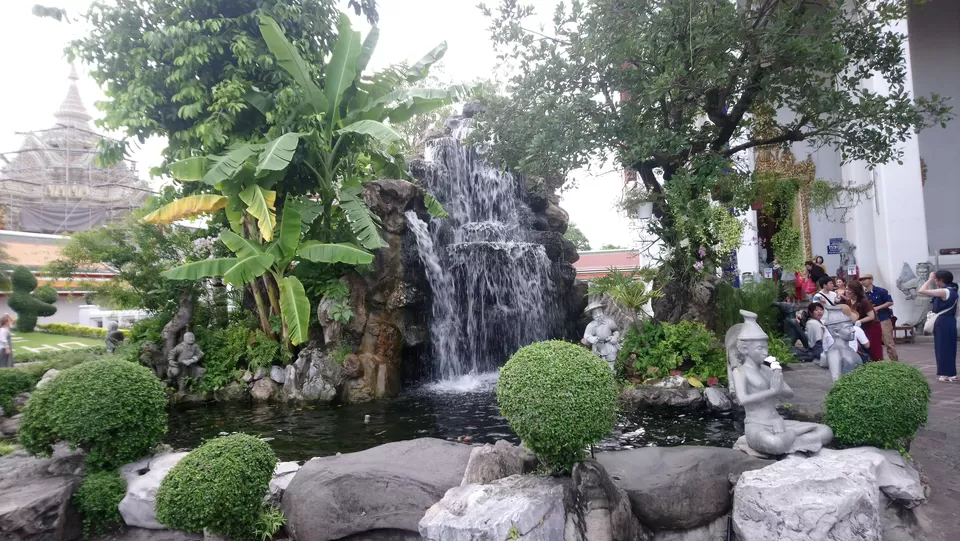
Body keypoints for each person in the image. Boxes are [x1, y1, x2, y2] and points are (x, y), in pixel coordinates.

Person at [919, 270, 958, 383]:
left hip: (943, 321)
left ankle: (946, 374)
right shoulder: (953, 290)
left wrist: (929, 279)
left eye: (936, 279)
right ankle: (951, 374)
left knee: (942, 348)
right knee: (950, 348)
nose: (935, 281)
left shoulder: (944, 291)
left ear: (941, 280)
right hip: (950, 320)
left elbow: (922, 290)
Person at [860, 274, 898, 361]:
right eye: (861, 280)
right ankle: (876, 361)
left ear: (871, 280)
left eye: (864, 279)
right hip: (870, 321)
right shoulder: (863, 294)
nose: (862, 282)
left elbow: (890, 302)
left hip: (882, 318)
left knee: (888, 342)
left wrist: (878, 307)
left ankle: (894, 362)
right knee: (872, 343)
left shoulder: (881, 291)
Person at [845, 279, 882, 361]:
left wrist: (859, 321)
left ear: (855, 290)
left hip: (871, 327)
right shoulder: (848, 302)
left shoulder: (863, 301)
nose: (846, 291)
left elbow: (871, 316)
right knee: (862, 348)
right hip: (859, 328)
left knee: (874, 348)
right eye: (846, 289)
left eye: (849, 289)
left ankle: (877, 365)